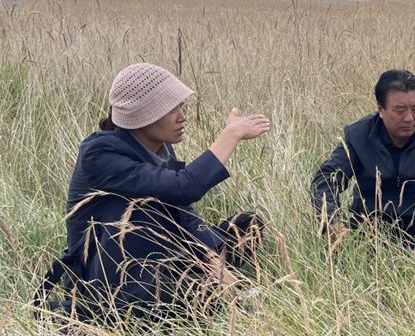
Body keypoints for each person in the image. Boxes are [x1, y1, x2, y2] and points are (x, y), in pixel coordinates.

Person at [38, 63, 270, 322]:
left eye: (182, 107)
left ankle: (197, 285)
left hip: (154, 252)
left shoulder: (157, 146)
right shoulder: (100, 153)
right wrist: (231, 134)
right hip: (109, 269)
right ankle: (80, 312)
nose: (182, 117)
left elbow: (178, 210)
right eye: (172, 109)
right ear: (144, 115)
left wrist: (212, 258)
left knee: (247, 226)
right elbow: (184, 188)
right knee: (196, 302)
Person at [310, 69, 415, 262]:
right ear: (381, 109)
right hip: (371, 225)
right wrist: (332, 221)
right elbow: (326, 179)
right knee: (335, 251)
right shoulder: (358, 134)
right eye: (400, 111)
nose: (410, 118)